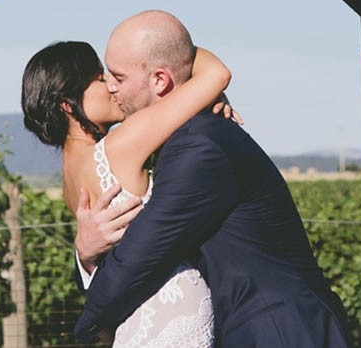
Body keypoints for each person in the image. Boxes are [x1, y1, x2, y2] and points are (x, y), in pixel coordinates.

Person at [73, 10, 353, 348]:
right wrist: (86, 255)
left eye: (117, 76)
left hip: (278, 330)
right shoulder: (185, 135)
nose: (110, 88)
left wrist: (87, 325)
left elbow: (140, 255)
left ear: (160, 81)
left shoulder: (197, 147)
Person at [21, 36, 234, 346]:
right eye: (98, 77)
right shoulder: (121, 146)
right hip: (172, 317)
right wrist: (171, 47)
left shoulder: (69, 175)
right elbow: (216, 74)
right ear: (68, 105)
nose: (110, 84)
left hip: (133, 325)